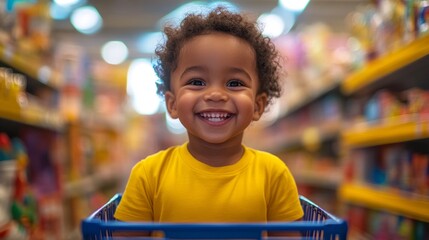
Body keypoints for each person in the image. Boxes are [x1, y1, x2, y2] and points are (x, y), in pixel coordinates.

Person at [114, 5, 303, 232]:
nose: (215, 94)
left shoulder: (273, 174)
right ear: (172, 104)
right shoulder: (148, 175)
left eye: (234, 83)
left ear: (257, 105)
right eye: (197, 82)